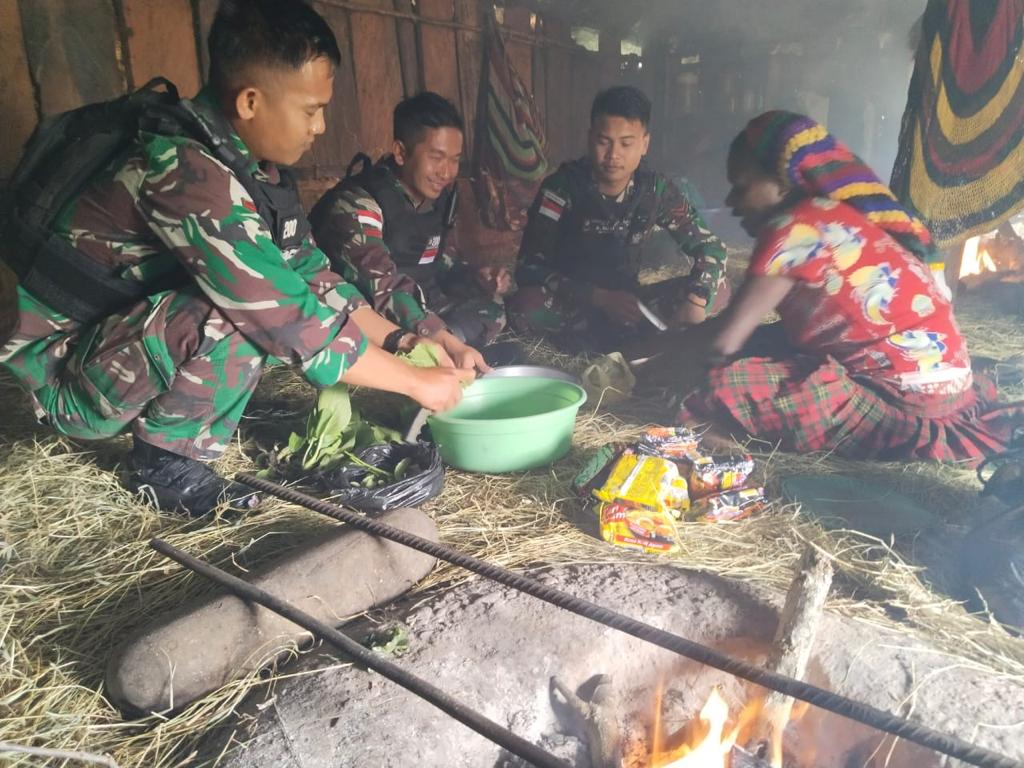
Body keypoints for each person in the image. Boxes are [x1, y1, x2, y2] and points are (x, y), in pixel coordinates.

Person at [0, 0, 471, 516]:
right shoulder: (182, 171)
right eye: (311, 110)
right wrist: (415, 382)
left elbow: (317, 280)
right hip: (64, 379)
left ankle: (175, 437)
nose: (320, 127)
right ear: (251, 101)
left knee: (269, 304)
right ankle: (165, 467)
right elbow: (285, 317)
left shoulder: (245, 173)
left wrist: (414, 339)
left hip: (115, 352)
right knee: (239, 314)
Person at [677, 110, 1021, 464]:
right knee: (770, 343)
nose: (732, 202)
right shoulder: (832, 214)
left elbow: (722, 344)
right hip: (950, 394)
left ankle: (719, 435)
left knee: (723, 386)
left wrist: (659, 360)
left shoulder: (791, 230)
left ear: (782, 183)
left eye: (741, 187)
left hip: (904, 407)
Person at [508, 85, 728, 352]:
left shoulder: (655, 190)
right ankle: (606, 342)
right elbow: (529, 268)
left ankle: (627, 340)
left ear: (644, 144)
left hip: (632, 306)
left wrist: (695, 301)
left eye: (626, 143)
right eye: (604, 142)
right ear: (590, 139)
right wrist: (598, 297)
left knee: (718, 291)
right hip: (573, 306)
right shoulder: (562, 188)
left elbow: (711, 247)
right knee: (524, 306)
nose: (613, 155)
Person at [310, 92, 509, 370]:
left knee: (492, 307)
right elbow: (383, 288)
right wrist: (441, 337)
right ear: (401, 153)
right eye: (437, 157)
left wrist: (475, 275)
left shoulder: (433, 202)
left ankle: (439, 352)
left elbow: (436, 261)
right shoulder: (358, 204)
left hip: (422, 306)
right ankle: (428, 354)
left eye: (455, 159)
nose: (447, 172)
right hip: (376, 317)